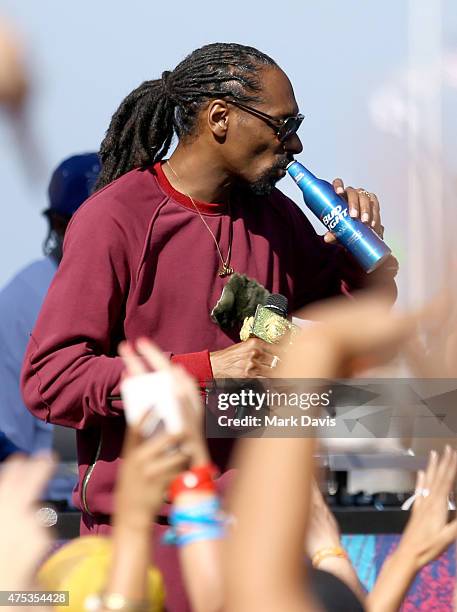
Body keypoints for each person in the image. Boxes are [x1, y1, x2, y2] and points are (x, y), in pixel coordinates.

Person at [20, 43, 397, 609]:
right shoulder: (115, 219)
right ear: (219, 118)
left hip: (261, 543)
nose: (294, 145)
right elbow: (51, 380)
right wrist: (206, 371)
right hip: (145, 544)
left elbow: (356, 319)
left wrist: (362, 256)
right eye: (284, 124)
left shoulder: (276, 217)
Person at [0, 153, 100, 464]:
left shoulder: (143, 284)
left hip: (138, 491)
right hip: (49, 496)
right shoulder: (23, 294)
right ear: (59, 223)